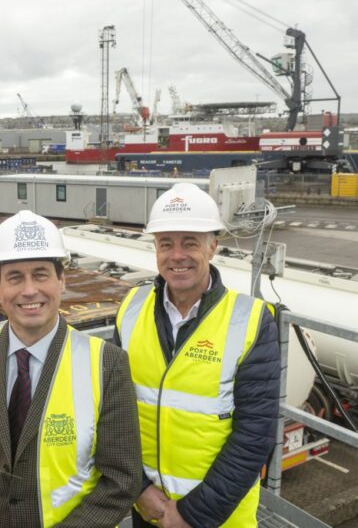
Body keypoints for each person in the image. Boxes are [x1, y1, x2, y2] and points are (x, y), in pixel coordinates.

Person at [0, 210, 141, 528]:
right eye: (15, 277)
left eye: (41, 274)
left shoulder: (106, 363)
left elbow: (121, 480)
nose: (29, 290)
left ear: (62, 281)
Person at [114, 183, 280, 528]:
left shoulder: (250, 320)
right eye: (166, 244)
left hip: (218, 518)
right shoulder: (131, 309)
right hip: (149, 511)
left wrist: (190, 516)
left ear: (213, 246)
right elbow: (112, 411)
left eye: (190, 242)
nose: (177, 255)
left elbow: (255, 434)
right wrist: (141, 491)